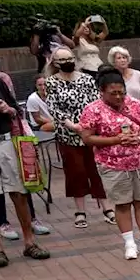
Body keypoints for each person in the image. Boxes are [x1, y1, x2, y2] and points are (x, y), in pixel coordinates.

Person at [0, 40, 50, 269]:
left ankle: (29, 242)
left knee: (20, 191)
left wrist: (7, 109)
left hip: (5, 141)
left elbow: (16, 109)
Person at [78, 68, 140, 260]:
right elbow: (87, 138)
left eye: (121, 92)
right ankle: (129, 243)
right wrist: (115, 140)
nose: (118, 96)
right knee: (122, 204)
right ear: (102, 91)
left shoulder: (135, 105)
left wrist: (139, 139)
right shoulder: (93, 110)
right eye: (112, 93)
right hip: (112, 164)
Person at [45, 47, 110, 229]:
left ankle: (106, 207)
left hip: (90, 132)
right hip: (68, 134)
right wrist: (71, 125)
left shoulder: (87, 79)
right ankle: (80, 211)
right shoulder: (51, 82)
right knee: (76, 172)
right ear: (55, 64)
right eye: (63, 60)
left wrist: (90, 125)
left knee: (96, 170)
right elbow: (54, 108)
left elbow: (96, 102)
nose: (67, 62)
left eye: (69, 58)